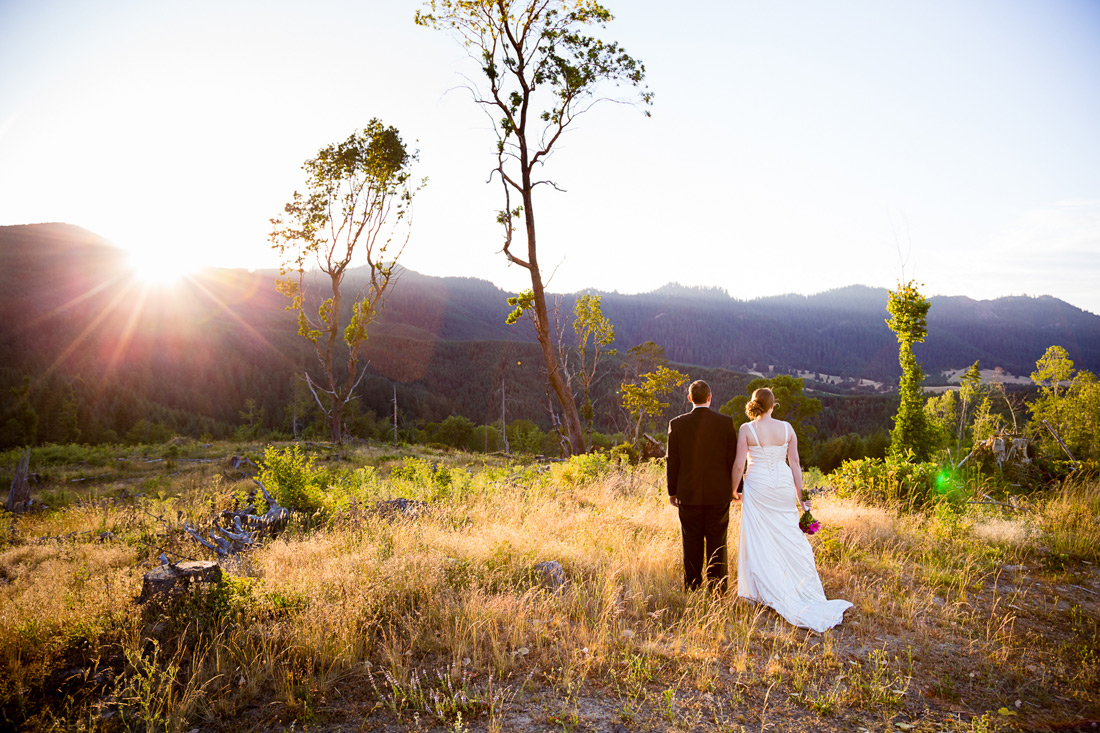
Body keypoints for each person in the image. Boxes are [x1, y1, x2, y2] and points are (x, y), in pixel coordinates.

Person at [731, 387, 852, 631]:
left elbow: (738, 464)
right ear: (773, 405)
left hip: (758, 485)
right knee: (788, 534)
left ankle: (760, 590)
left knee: (759, 537)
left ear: (755, 405)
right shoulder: (787, 428)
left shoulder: (747, 429)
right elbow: (795, 463)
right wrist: (801, 497)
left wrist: (734, 490)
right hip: (783, 485)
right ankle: (795, 586)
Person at [666, 380, 737, 590]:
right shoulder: (725, 423)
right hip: (719, 494)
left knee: (691, 542)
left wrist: (672, 492)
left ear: (689, 398)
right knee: (718, 542)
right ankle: (717, 589)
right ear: (710, 397)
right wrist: (735, 489)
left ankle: (693, 587)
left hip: (687, 493)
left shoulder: (677, 423)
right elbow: (732, 459)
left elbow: (673, 461)